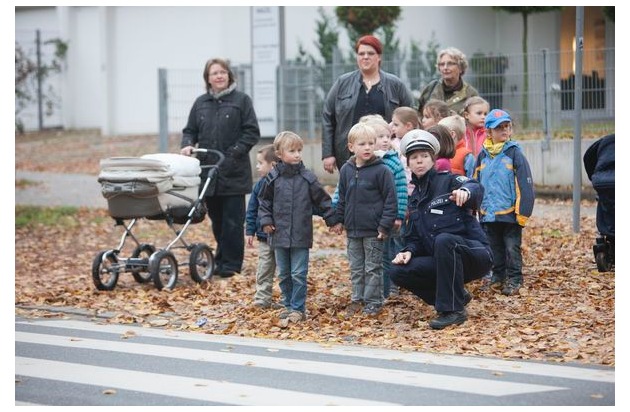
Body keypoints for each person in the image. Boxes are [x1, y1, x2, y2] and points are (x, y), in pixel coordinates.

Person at [388, 129, 493, 329]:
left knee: (445, 240)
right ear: (408, 163)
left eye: (424, 156)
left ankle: (453, 311)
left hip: (474, 255)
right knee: (397, 270)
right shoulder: (414, 200)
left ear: (433, 159)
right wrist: (409, 251)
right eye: (414, 158)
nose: (419, 161)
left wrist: (465, 192)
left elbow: (475, 187)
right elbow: (415, 239)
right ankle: (456, 296)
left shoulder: (449, 181)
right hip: (443, 260)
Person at [181, 58, 261, 278]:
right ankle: (221, 259)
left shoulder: (241, 101)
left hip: (234, 171)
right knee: (217, 220)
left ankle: (232, 264)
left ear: (229, 75)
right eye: (214, 73)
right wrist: (187, 144)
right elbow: (190, 130)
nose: (219, 76)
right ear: (208, 79)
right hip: (209, 172)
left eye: (222, 72)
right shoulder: (200, 103)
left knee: (233, 221)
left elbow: (251, 132)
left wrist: (234, 153)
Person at [258, 131, 336, 325]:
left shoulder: (308, 178)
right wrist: (266, 221)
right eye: (292, 151)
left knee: (298, 274)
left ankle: (298, 308)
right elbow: (264, 202)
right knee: (284, 274)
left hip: (301, 234)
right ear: (279, 153)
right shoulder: (273, 178)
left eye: (299, 150)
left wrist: (333, 220)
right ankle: (287, 304)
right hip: (278, 235)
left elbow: (323, 201)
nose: (297, 154)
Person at [331, 123, 397, 316]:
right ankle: (357, 299)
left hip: (374, 230)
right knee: (357, 267)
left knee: (373, 267)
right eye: (362, 144)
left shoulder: (382, 171)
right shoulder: (346, 170)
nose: (367, 148)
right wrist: (339, 220)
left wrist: (384, 226)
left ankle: (373, 302)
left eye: (370, 143)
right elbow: (342, 198)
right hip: (353, 230)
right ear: (351, 147)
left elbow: (390, 200)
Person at [322, 35, 413, 174]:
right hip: (349, 156)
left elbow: (410, 116)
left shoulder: (395, 84)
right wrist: (328, 153)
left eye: (370, 53)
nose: (365, 57)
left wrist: (408, 148)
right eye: (361, 53)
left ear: (379, 57)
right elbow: (328, 117)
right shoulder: (342, 83)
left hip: (386, 156)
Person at [474, 109, 535, 296]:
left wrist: (523, 212)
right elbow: (475, 184)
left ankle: (515, 279)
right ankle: (498, 277)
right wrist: (476, 209)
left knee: (511, 248)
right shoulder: (482, 156)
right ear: (488, 132)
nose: (504, 131)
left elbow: (525, 184)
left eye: (507, 127)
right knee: (494, 247)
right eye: (499, 128)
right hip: (489, 213)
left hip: (510, 214)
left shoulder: (514, 153)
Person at [362, 115, 407, 300]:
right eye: (380, 137)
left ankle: (389, 288)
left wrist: (399, 215)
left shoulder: (393, 162)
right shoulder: (361, 162)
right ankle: (369, 291)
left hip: (387, 218)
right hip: (367, 218)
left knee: (386, 255)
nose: (386, 140)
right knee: (368, 257)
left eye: (388, 136)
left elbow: (401, 190)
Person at [246, 144, 282, 309]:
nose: (257, 166)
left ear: (272, 165)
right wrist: (250, 231)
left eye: (260, 163)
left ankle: (287, 299)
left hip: (282, 237)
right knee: (264, 268)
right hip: (263, 237)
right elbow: (252, 209)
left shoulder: (283, 184)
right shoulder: (259, 185)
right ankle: (262, 299)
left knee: (284, 270)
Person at [417, 47, 479, 116]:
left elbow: (476, 119)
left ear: (461, 68)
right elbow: (419, 114)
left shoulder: (470, 94)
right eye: (442, 64)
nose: (445, 68)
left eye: (450, 64)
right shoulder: (431, 88)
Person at [390, 106, 420, 196]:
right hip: (398, 188)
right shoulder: (392, 143)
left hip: (415, 188)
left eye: (396, 125)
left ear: (408, 126)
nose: (393, 128)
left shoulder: (419, 141)